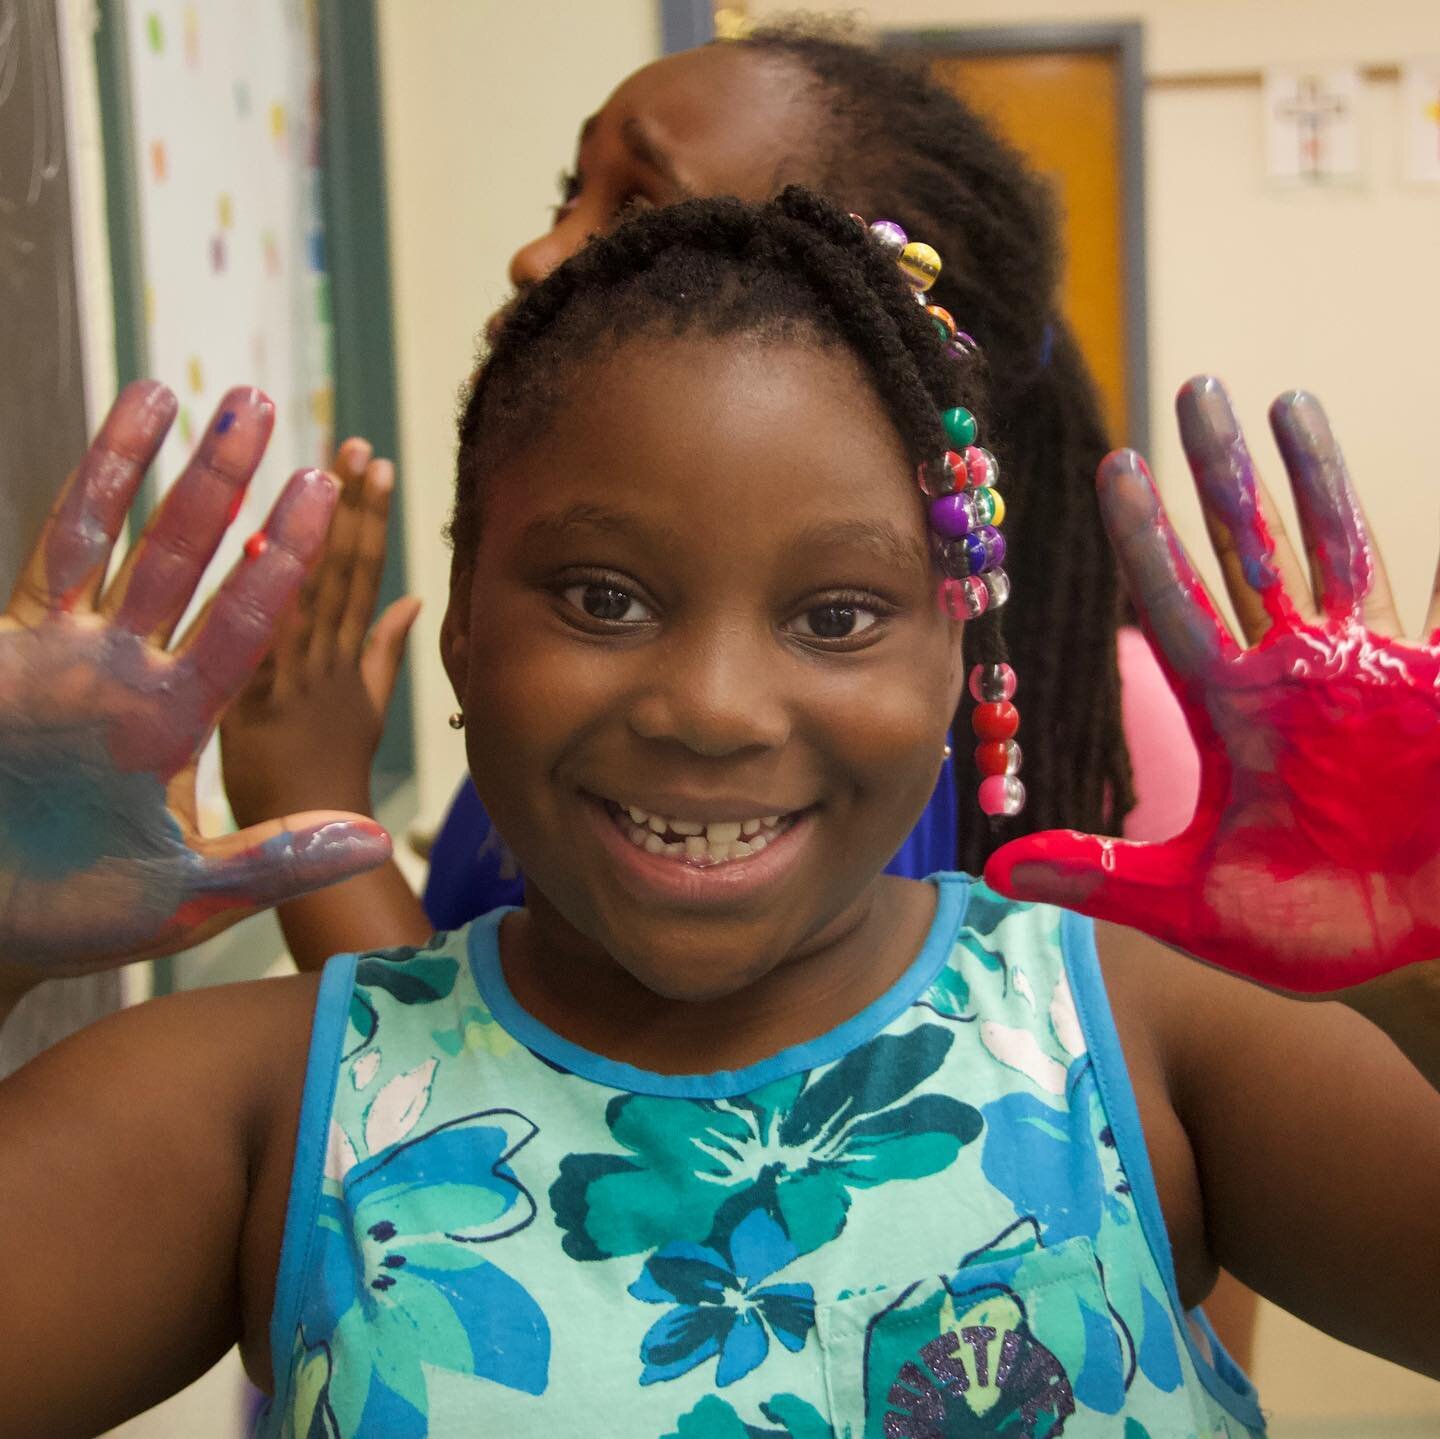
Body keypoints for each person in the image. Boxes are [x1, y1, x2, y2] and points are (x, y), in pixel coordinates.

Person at [1, 189, 1438, 1438]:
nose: (715, 706)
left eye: (835, 613)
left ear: (954, 651)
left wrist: (1425, 974)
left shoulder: (1137, 1041)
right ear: (460, 628)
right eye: (602, 596)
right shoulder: (268, 1104)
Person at [218, 21, 1145, 961]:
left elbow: (508, 1087)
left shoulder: (812, 805)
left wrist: (309, 802)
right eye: (603, 599)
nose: (539, 254)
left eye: (637, 209)